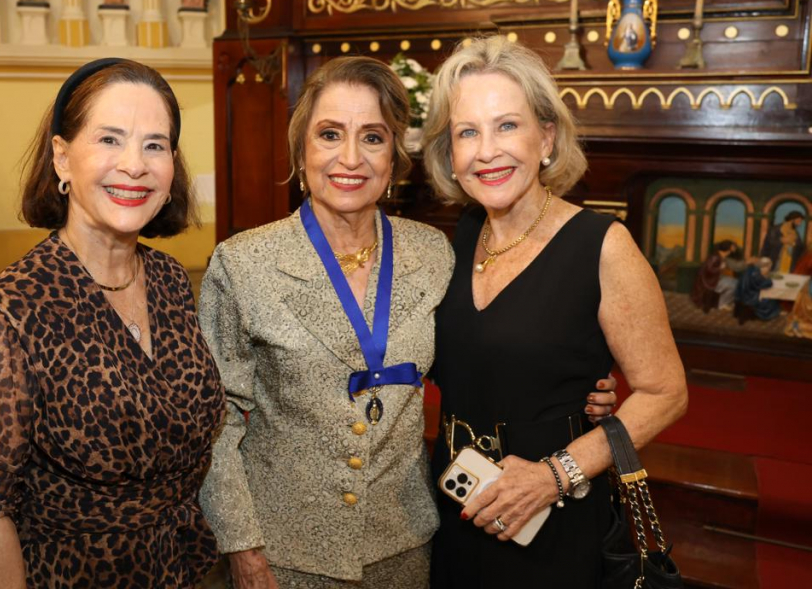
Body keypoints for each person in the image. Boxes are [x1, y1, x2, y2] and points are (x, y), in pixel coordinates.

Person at [198, 56, 616, 588]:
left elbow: (477, 354)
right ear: (301, 149)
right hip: (284, 551)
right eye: (330, 134)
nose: (350, 157)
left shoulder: (433, 253)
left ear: (395, 156)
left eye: (372, 137)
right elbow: (214, 424)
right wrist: (243, 550)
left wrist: (580, 388)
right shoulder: (243, 263)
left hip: (407, 545)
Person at [0, 58, 225, 588]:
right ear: (62, 158)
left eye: (154, 144)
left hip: (183, 567)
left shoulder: (168, 279)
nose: (134, 165)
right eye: (110, 139)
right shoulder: (8, 313)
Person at [421, 36, 688, 588]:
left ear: (546, 136)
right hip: (458, 507)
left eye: (507, 126)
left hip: (553, 524)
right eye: (467, 132)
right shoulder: (459, 239)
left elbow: (667, 394)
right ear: (450, 154)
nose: (487, 150)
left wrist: (553, 476)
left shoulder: (602, 244)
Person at [691, 240, 746, 311]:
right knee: (735, 285)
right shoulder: (715, 257)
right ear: (727, 249)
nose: (732, 251)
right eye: (731, 248)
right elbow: (709, 270)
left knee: (737, 283)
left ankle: (725, 302)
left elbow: (736, 266)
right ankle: (722, 304)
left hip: (716, 279)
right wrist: (720, 268)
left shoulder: (721, 257)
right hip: (710, 281)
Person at [736, 256, 780, 321]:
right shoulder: (756, 274)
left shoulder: (751, 269)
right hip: (750, 296)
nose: (768, 269)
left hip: (744, 293)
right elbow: (767, 284)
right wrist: (768, 279)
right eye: (768, 267)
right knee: (770, 300)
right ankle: (765, 316)